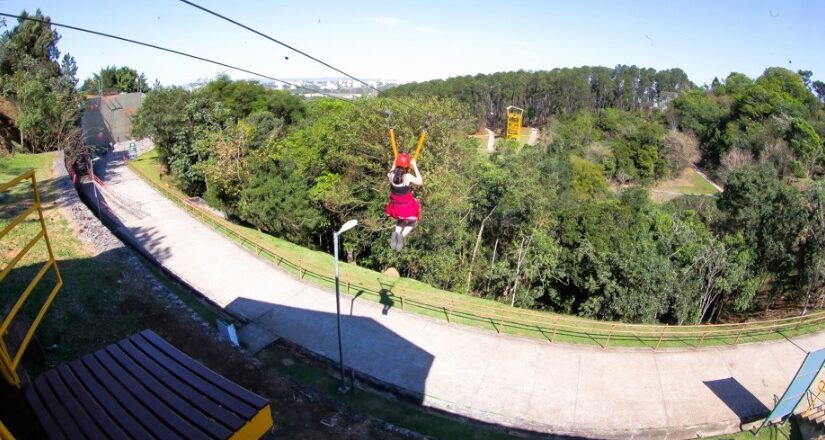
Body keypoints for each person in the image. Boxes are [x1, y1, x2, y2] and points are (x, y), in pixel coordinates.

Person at [385, 153, 422, 251]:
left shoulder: (390, 175)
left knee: (400, 219)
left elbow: (391, 170)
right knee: (412, 222)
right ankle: (401, 236)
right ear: (407, 165)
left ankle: (396, 233)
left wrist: (394, 162)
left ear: (396, 164)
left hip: (396, 208)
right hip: (407, 207)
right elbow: (420, 182)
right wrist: (415, 166)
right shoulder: (407, 177)